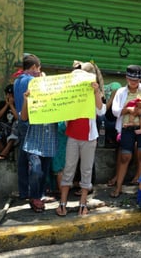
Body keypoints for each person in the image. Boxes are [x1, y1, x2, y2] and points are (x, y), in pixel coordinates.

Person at [56, 69, 105, 216]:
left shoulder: (93, 93)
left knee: (86, 170)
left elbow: (101, 111)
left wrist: (96, 92)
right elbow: (62, 114)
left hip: (89, 138)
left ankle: (83, 204)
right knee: (68, 168)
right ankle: (62, 203)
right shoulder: (69, 95)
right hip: (72, 136)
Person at [110, 65, 141, 198]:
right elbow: (115, 111)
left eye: (136, 80)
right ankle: (118, 187)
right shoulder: (121, 92)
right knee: (125, 156)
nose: (134, 83)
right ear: (126, 78)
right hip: (127, 126)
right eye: (131, 80)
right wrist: (128, 110)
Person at [20, 89, 58, 212]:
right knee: (36, 169)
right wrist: (26, 100)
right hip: (33, 144)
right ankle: (35, 196)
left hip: (49, 144)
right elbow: (24, 117)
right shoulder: (34, 101)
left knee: (43, 173)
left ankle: (39, 196)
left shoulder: (57, 103)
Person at [13, 54, 42, 200]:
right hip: (31, 123)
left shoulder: (17, 81)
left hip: (20, 122)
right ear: (34, 67)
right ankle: (35, 194)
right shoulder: (32, 80)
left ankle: (23, 192)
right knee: (34, 160)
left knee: (23, 159)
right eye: (38, 68)